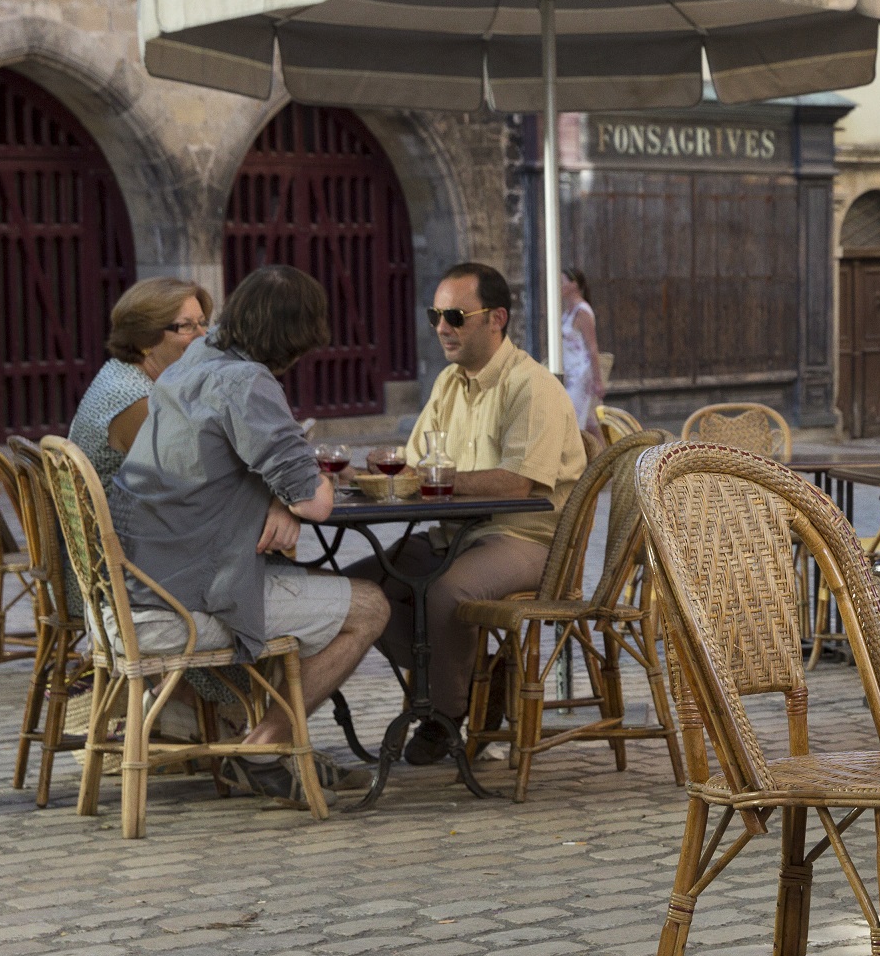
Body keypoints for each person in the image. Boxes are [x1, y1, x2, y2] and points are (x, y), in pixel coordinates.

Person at [112, 265, 389, 801]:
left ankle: (265, 741)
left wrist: (272, 496)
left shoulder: (195, 360)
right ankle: (265, 746)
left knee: (298, 580)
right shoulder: (247, 381)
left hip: (141, 583)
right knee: (371, 606)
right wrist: (293, 489)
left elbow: (248, 470)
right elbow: (316, 501)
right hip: (188, 599)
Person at [349, 262, 584, 765]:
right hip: (455, 533)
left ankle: (445, 715)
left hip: (529, 538)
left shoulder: (531, 385)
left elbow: (518, 483)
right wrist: (378, 471)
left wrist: (429, 478)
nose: (441, 327)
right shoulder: (448, 383)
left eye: (455, 315)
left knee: (445, 592)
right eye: (436, 314)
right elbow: (415, 465)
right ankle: (477, 673)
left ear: (496, 318)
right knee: (364, 590)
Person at [71, 277, 213, 496]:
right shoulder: (137, 400)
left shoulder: (121, 370)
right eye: (186, 326)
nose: (202, 336)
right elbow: (187, 485)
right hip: (120, 527)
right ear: (147, 337)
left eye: (203, 323)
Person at [559, 267, 603, 446]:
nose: (560, 286)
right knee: (591, 424)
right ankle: (607, 462)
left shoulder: (582, 311)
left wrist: (598, 379)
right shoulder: (568, 311)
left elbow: (592, 347)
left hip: (581, 374)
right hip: (570, 371)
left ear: (574, 285)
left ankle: (581, 464)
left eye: (562, 282)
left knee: (573, 421)